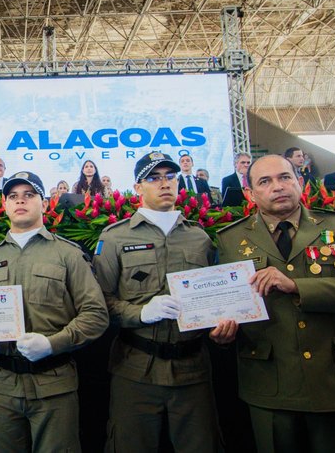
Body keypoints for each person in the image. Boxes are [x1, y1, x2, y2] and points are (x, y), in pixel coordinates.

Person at [216, 154, 335, 452]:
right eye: (265, 181)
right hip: (271, 381)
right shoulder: (229, 240)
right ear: (250, 193)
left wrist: (294, 285)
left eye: (285, 177)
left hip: (334, 378)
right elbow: (226, 302)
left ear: (301, 182)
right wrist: (223, 329)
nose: (278, 186)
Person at [93, 152, 236, 453]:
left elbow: (218, 296)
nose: (164, 183)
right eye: (153, 178)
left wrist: (222, 326)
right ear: (137, 187)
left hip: (192, 368)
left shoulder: (200, 239)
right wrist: (140, 313)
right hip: (135, 368)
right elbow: (99, 301)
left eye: (169, 176)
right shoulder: (115, 238)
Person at [0, 171, 109, 452]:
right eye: (13, 196)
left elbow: (96, 314)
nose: (20, 201)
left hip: (54, 385)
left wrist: (52, 343)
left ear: (44, 204)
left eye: (29, 195)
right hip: (1, 387)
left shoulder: (68, 255)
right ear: (5, 205)